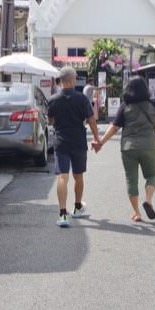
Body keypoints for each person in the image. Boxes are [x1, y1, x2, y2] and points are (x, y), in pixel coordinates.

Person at [93, 76, 155, 222]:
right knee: (151, 176)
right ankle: (148, 200)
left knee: (131, 180)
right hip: (148, 146)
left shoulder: (125, 106)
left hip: (128, 148)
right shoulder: (154, 105)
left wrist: (101, 142)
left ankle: (137, 213)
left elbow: (114, 127)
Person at [47, 66, 100, 228]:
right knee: (78, 176)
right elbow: (91, 120)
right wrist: (97, 138)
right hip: (78, 141)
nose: (76, 80)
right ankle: (77, 207)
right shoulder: (82, 99)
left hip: (61, 141)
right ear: (71, 80)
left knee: (63, 176)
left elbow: (50, 121)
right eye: (75, 78)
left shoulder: (53, 100)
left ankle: (63, 215)